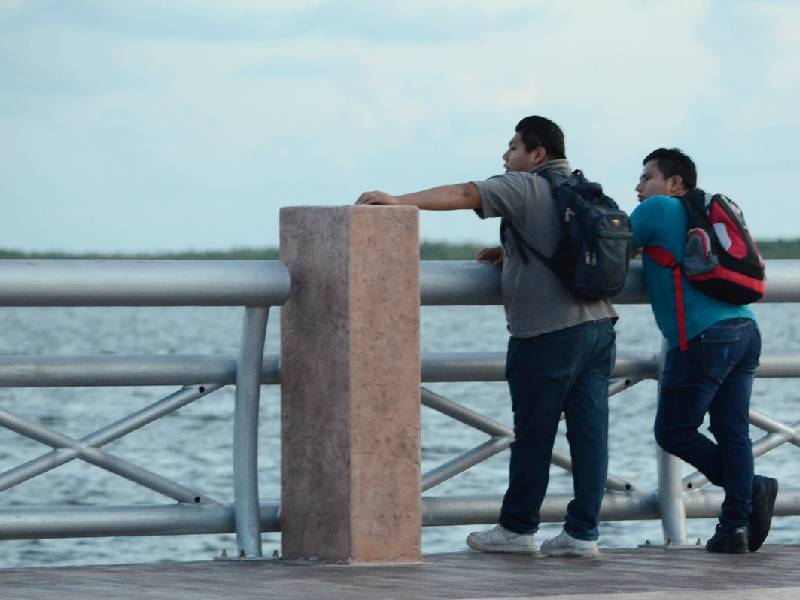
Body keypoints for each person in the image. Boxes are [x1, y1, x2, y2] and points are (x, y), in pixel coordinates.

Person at [357, 116, 617, 557]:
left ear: (537, 154)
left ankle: (517, 529)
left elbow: (465, 193)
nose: (505, 156)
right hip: (598, 327)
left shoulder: (526, 186)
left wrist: (397, 201)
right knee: (590, 435)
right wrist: (512, 253)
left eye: (513, 147)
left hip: (547, 333)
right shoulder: (583, 189)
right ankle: (582, 534)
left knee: (535, 435)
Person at [631, 147, 778, 554]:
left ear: (674, 183)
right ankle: (732, 529)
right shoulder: (705, 212)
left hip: (703, 335)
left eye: (647, 177)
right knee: (732, 432)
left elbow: (609, 250)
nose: (638, 186)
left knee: (673, 430)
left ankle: (751, 489)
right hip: (745, 327)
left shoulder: (658, 208)